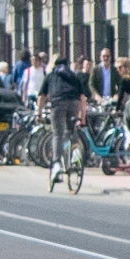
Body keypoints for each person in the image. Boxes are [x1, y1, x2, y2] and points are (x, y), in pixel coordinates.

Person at [42, 55, 87, 183]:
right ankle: (76, 154)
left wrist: (39, 114)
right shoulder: (74, 76)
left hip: (58, 103)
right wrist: (82, 118)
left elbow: (41, 96)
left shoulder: (51, 75)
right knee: (73, 129)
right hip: (74, 103)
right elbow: (83, 98)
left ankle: (56, 165)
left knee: (58, 134)